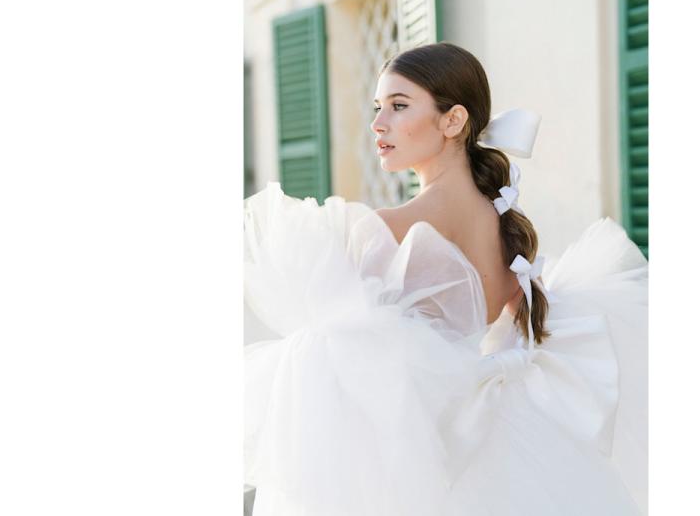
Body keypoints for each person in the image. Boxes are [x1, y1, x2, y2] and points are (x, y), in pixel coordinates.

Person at [244, 42, 648, 515]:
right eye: (378, 108)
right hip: (518, 441)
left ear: (452, 121)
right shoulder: (502, 221)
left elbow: (355, 373)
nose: (378, 124)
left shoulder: (387, 229)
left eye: (398, 106)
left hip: (432, 458)